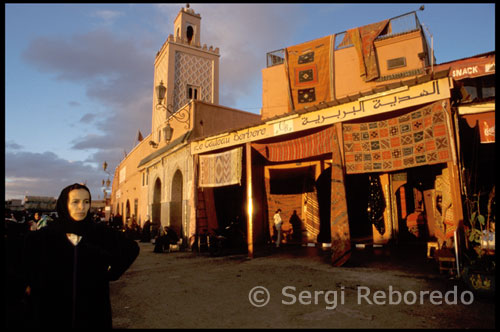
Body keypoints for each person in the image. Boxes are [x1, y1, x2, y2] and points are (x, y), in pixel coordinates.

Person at [22, 183, 140, 329]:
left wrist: (111, 271)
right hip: (54, 312)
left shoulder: (99, 232)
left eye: (86, 202)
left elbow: (131, 248)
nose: (81, 207)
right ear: (65, 204)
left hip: (92, 311)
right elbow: (24, 265)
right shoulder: (45, 236)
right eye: (75, 202)